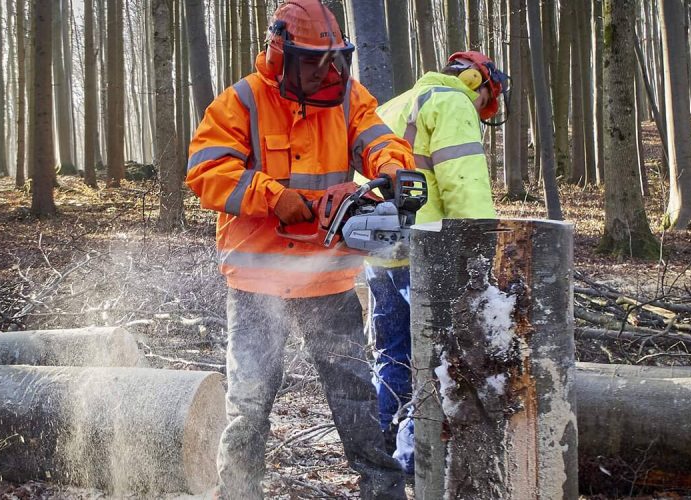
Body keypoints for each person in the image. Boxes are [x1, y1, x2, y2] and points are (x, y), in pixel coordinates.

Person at [185, 1, 415, 498]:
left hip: (327, 278)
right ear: (281, 55)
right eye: (313, 61)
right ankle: (238, 492)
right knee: (249, 404)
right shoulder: (241, 101)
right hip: (257, 283)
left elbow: (380, 138)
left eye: (332, 60)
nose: (324, 72)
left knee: (355, 397)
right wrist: (273, 197)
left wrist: (393, 168)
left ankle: (383, 490)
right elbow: (207, 171)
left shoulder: (347, 97)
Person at [365, 51, 507, 473]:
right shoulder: (452, 101)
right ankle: (415, 460)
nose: (479, 108)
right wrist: (480, 252)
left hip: (379, 248)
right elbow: (464, 185)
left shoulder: (394, 105)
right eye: (484, 101)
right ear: (474, 82)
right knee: (436, 356)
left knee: (392, 351)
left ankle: (376, 449)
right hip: (427, 250)